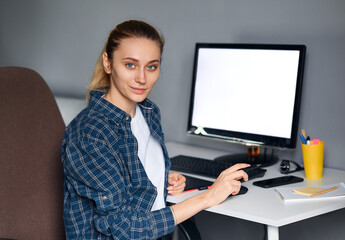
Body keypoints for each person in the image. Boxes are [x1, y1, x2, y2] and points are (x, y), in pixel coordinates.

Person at [61, 20, 249, 240]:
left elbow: (128, 168)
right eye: (130, 65)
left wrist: (159, 177)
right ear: (108, 63)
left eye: (151, 66)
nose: (142, 78)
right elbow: (126, 227)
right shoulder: (90, 134)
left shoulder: (148, 112)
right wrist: (208, 197)